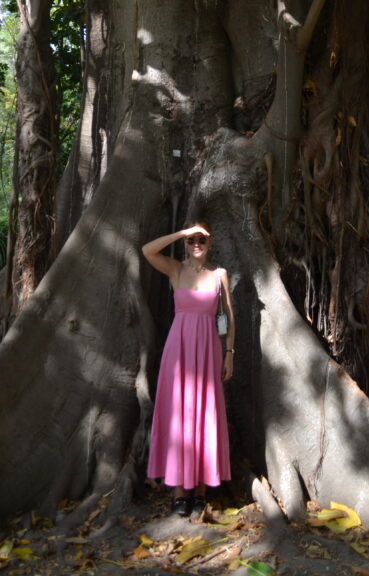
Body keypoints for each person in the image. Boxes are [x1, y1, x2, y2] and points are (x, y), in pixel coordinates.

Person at [142, 222, 234, 517]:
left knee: (205, 413)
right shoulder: (175, 270)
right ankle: (180, 490)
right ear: (185, 243)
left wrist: (229, 354)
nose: (196, 244)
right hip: (178, 351)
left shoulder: (219, 275)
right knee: (180, 414)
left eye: (201, 239)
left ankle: (202, 489)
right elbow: (147, 250)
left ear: (210, 242)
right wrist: (181, 233)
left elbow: (229, 317)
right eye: (192, 239)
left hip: (208, 350)